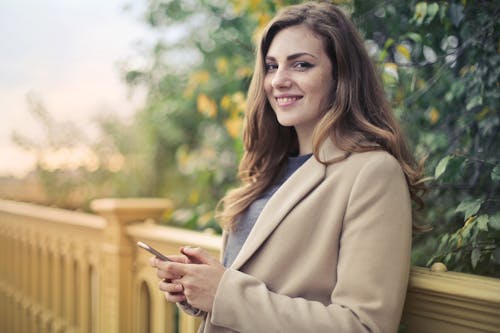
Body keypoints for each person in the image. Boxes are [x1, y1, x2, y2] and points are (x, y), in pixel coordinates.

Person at [150, 2, 424, 332]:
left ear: (341, 75)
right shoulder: (267, 170)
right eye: (271, 66)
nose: (278, 80)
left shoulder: (373, 173)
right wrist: (197, 288)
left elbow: (363, 325)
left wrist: (223, 292)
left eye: (301, 65)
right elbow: (254, 290)